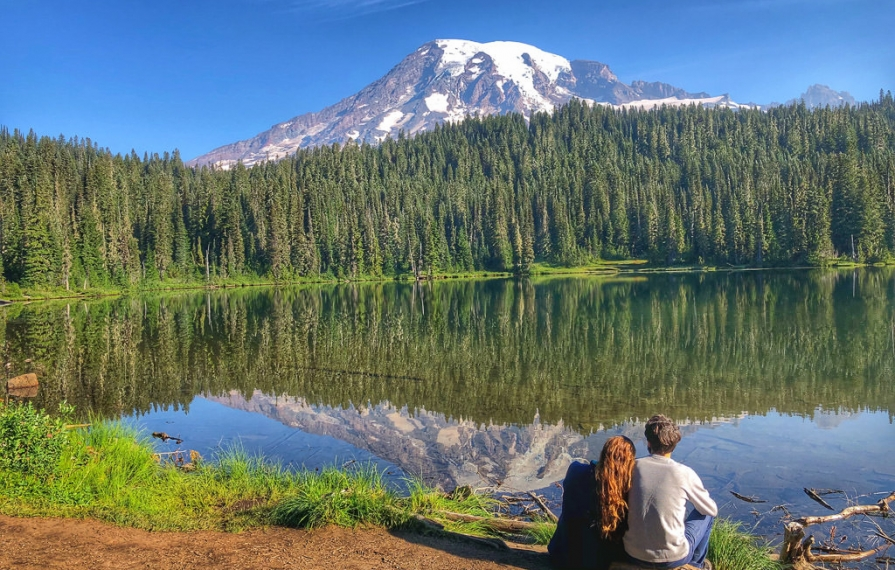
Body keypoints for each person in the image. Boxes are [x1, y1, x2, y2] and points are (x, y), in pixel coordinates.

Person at [623, 415, 717, 569]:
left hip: (632, 553)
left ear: (648, 442)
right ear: (675, 444)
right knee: (707, 514)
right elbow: (711, 509)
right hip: (672, 558)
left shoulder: (631, 467)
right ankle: (696, 565)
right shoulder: (683, 473)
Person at [548, 435, 636, 570]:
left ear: (603, 453)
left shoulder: (575, 470)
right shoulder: (627, 489)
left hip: (563, 555)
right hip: (601, 562)